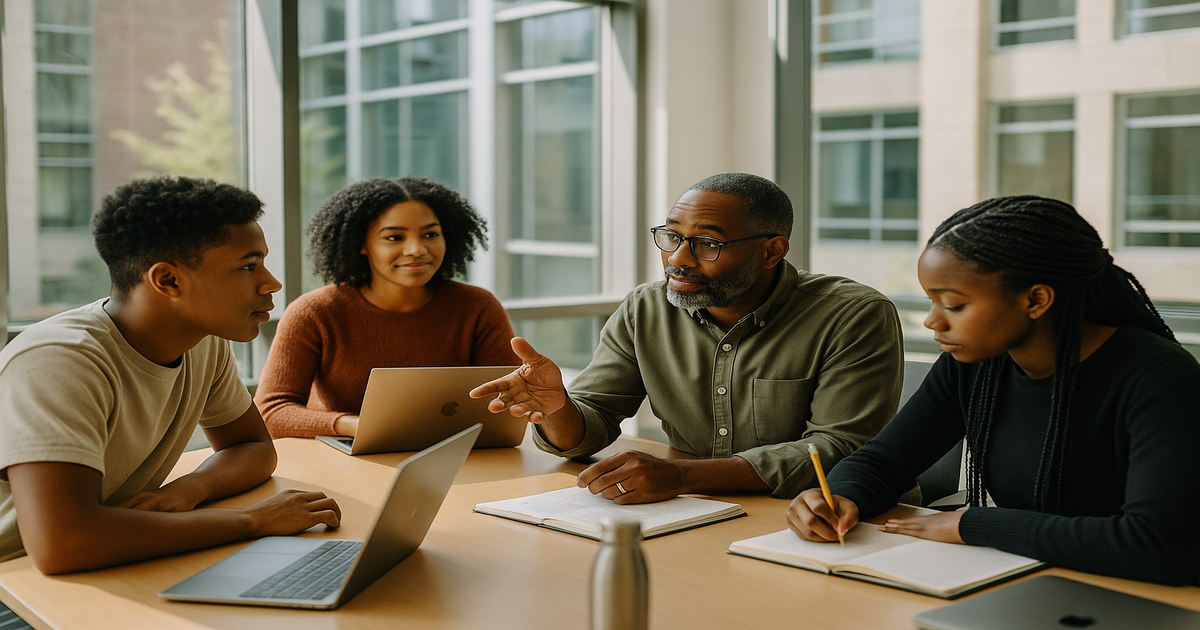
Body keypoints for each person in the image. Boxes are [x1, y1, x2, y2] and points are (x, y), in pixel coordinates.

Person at [785, 195, 1200, 586]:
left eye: (954, 305)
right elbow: (885, 460)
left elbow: (1159, 544)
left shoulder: (1160, 379)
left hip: (1134, 594)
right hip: (1032, 576)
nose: (932, 321)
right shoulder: (976, 365)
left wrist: (972, 523)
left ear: (1035, 299)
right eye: (931, 301)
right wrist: (836, 497)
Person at [470, 173, 904, 503]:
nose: (678, 258)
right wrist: (558, 408)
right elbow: (592, 422)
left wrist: (681, 477)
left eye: (707, 244)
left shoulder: (853, 314)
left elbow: (840, 449)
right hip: (694, 509)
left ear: (772, 250)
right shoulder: (647, 308)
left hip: (829, 515)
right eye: (672, 236)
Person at [0, 177, 342, 575]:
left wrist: (188, 491)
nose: (272, 284)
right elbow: (63, 543)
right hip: (17, 580)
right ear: (168, 280)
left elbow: (253, 447)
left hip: (114, 555)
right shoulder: (58, 362)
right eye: (249, 266)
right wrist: (254, 521)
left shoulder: (201, 341)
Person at [255, 177, 519, 438]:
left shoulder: (477, 307)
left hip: (455, 456)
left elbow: (510, 398)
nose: (416, 249)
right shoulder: (314, 311)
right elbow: (271, 412)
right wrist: (358, 426)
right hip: (342, 461)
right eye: (394, 237)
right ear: (361, 244)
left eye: (430, 234)